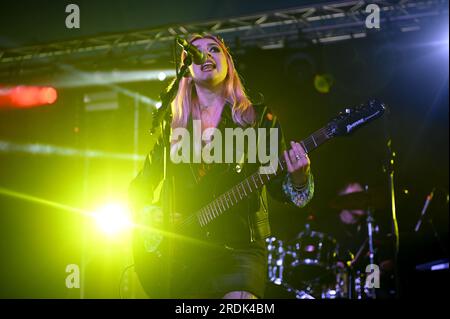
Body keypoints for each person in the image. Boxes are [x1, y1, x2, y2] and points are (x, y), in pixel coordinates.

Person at [129, 34, 314, 299]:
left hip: (240, 249)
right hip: (182, 252)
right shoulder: (173, 126)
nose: (205, 55)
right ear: (187, 70)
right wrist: (152, 214)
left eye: (214, 49)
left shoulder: (258, 119)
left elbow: (278, 189)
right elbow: (140, 187)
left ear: (228, 63)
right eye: (195, 52)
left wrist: (299, 179)